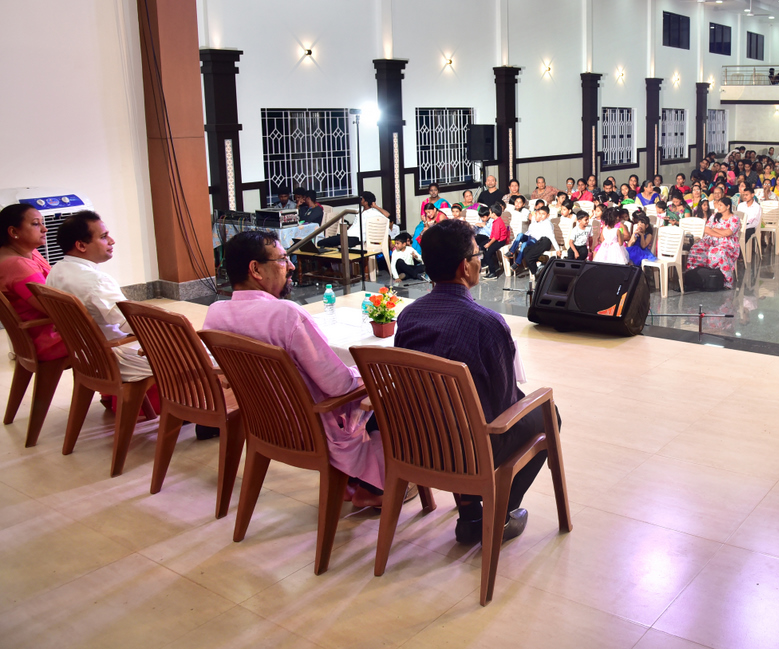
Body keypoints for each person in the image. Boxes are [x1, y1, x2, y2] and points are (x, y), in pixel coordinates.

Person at [393, 219, 559, 544]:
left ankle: (470, 515)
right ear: (463, 267)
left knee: (457, 411)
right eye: (476, 254)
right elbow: (503, 406)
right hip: (470, 451)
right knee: (548, 414)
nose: (480, 260)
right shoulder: (487, 323)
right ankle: (499, 515)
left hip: (417, 443)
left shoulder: (409, 316)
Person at [203, 230, 386, 508]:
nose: (290, 266)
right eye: (282, 259)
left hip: (267, 425)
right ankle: (375, 487)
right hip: (312, 430)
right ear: (256, 269)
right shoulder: (285, 314)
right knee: (384, 394)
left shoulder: (216, 313)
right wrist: (371, 379)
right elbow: (337, 385)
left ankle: (353, 483)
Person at [46, 211, 160, 413]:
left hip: (85, 357)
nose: (112, 241)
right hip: (113, 357)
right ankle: (192, 412)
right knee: (201, 356)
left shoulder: (56, 271)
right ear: (81, 245)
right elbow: (130, 323)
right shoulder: (97, 281)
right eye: (104, 236)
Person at [0, 204, 66, 362]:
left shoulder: (28, 253)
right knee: (112, 332)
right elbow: (53, 307)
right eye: (36, 224)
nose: (45, 229)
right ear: (13, 232)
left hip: (38, 334)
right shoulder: (17, 265)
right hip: (47, 338)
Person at [685, 197, 741, 288]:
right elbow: (707, 229)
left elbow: (729, 232)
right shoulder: (714, 216)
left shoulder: (734, 218)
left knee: (720, 251)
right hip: (711, 240)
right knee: (696, 247)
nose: (718, 207)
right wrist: (719, 234)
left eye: (721, 205)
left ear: (728, 206)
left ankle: (726, 280)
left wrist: (715, 229)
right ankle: (694, 274)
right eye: (718, 205)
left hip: (727, 243)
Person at [479, 203, 510, 278]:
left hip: (500, 241)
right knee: (481, 246)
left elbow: (496, 237)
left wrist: (489, 244)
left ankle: (493, 272)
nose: (489, 214)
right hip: (495, 239)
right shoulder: (496, 221)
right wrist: (489, 241)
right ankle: (485, 263)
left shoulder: (497, 223)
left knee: (488, 254)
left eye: (490, 212)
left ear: (494, 214)